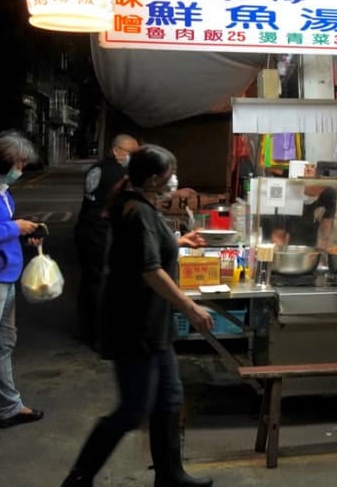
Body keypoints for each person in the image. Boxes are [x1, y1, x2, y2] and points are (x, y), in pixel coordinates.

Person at [62, 144, 215, 487]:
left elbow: (148, 248)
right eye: (168, 173)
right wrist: (189, 306)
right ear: (153, 179)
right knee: (132, 410)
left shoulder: (141, 205)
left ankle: (170, 475)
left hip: (152, 324)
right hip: (134, 325)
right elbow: (149, 269)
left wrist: (179, 242)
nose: (173, 179)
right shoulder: (137, 211)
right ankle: (78, 477)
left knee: (170, 398)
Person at [0, 130, 44, 442]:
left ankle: (10, 406)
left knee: (3, 345)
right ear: (0, 161)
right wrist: (13, 227)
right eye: (18, 163)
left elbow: (1, 229)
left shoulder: (3, 191)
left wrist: (24, 233)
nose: (20, 170)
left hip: (6, 276)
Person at [74, 133, 139, 348]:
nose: (133, 157)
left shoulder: (99, 167)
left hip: (85, 230)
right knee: (100, 285)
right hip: (99, 234)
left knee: (89, 282)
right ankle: (98, 338)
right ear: (116, 150)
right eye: (131, 152)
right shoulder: (118, 173)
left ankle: (85, 330)